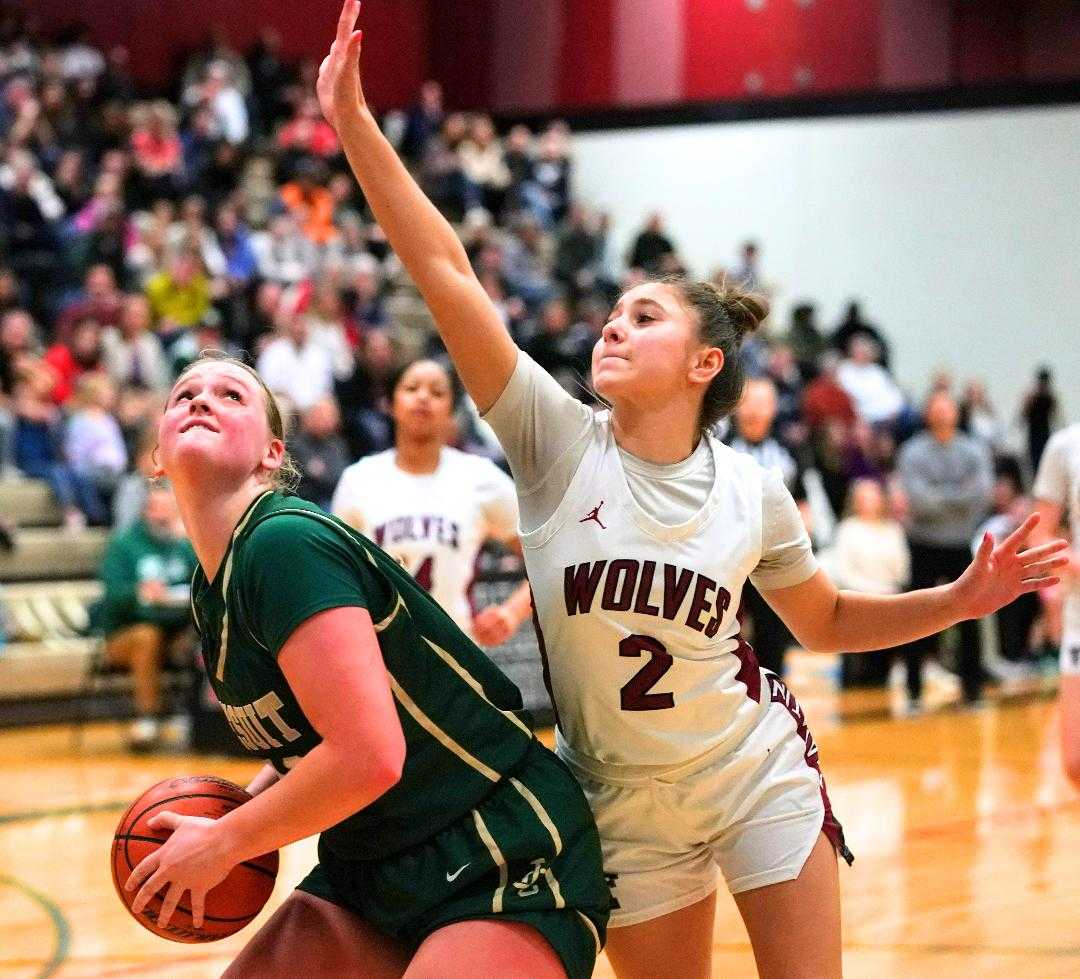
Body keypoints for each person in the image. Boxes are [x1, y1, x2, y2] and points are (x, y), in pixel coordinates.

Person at [314, 6, 1066, 975]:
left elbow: (827, 620)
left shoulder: (756, 491)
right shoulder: (553, 442)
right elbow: (444, 270)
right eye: (611, 315)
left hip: (752, 774)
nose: (611, 329)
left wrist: (959, 600)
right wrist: (356, 126)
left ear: (705, 361)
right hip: (620, 802)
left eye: (644, 316)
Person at [123, 352, 609, 978]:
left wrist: (225, 842)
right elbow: (311, 740)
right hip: (372, 857)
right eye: (184, 393)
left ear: (272, 454)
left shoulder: (282, 544)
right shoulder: (210, 584)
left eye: (231, 395)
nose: (200, 399)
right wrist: (234, 813)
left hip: (493, 837)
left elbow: (368, 755)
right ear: (156, 458)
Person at [333, 358, 532, 647]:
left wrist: (512, 613)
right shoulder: (358, 479)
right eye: (412, 388)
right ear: (390, 403)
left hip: (458, 657)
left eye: (438, 392)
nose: (424, 397)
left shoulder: (480, 477)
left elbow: (548, 555)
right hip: (378, 660)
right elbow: (335, 575)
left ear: (451, 410)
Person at [895, 391, 994, 707]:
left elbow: (981, 494)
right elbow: (918, 500)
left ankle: (973, 692)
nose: (941, 414)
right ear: (927, 414)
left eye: (947, 408)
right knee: (916, 619)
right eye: (936, 408)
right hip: (923, 543)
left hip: (960, 544)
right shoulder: (912, 452)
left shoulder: (973, 450)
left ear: (955, 413)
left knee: (969, 617)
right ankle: (913, 692)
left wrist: (939, 497)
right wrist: (956, 496)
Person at [98, 482, 198, 750]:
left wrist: (188, 543)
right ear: (145, 512)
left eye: (169, 511)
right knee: (147, 635)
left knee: (206, 633)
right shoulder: (124, 545)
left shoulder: (181, 544)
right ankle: (148, 717)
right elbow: (113, 596)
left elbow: (206, 582)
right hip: (124, 635)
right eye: (156, 510)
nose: (162, 517)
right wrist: (138, 592)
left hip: (175, 630)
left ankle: (197, 714)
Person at [1032, 422, 1080, 789]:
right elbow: (1040, 533)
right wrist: (1072, 562)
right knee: (1076, 760)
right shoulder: (1065, 445)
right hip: (1078, 612)